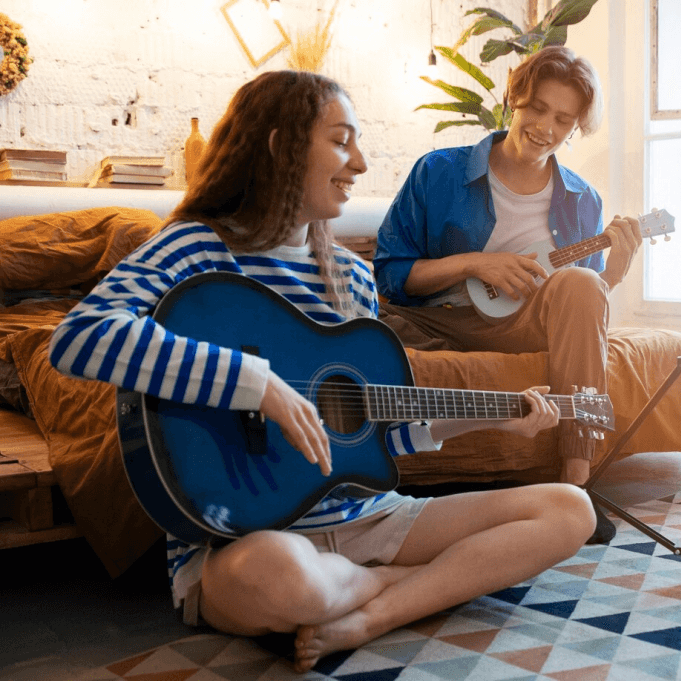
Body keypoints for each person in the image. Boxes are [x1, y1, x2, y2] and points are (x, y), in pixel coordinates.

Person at [49, 70, 595, 673]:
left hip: (368, 520)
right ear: (282, 146)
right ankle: (419, 587)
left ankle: (374, 611)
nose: (360, 163)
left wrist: (492, 422)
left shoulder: (352, 279)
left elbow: (368, 436)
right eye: (342, 141)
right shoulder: (194, 248)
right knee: (286, 583)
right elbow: (79, 336)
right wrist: (256, 385)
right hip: (249, 544)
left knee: (571, 509)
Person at [374, 46, 642, 543]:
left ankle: (577, 486)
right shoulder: (438, 173)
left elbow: (579, 306)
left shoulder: (582, 198)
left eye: (563, 119)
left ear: (575, 126)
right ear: (514, 99)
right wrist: (477, 262)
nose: (545, 127)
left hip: (519, 327)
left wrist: (614, 276)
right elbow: (390, 274)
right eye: (537, 108)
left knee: (583, 282)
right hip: (434, 322)